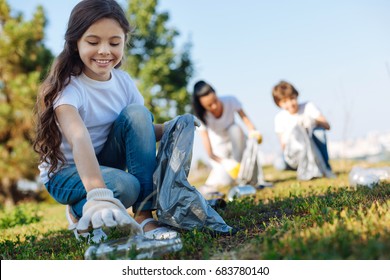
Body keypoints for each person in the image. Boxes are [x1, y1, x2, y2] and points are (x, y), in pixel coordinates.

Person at [33, 0, 177, 243]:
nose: (104, 51)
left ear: (124, 42)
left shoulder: (123, 82)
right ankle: (81, 207)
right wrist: (99, 194)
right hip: (67, 173)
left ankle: (144, 216)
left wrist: (174, 127)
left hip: (105, 161)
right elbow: (79, 138)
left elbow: (141, 132)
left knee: (138, 113)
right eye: (93, 42)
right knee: (128, 187)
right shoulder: (68, 88)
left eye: (114, 42)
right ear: (75, 42)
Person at [192, 80, 263, 197]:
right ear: (202, 105)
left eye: (215, 101)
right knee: (224, 180)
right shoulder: (201, 117)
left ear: (216, 94)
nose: (214, 106)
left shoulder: (230, 100)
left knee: (234, 128)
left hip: (237, 143)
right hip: (220, 154)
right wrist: (226, 163)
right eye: (209, 105)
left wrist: (254, 132)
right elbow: (210, 153)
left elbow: (246, 121)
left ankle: (250, 179)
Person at [272, 80, 334, 177]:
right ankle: (301, 167)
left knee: (319, 132)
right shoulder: (279, 118)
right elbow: (283, 146)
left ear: (296, 96)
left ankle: (325, 166)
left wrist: (313, 122)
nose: (290, 104)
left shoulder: (308, 107)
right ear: (279, 103)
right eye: (285, 101)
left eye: (292, 98)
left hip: (314, 151)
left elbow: (327, 125)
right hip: (297, 154)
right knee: (279, 163)